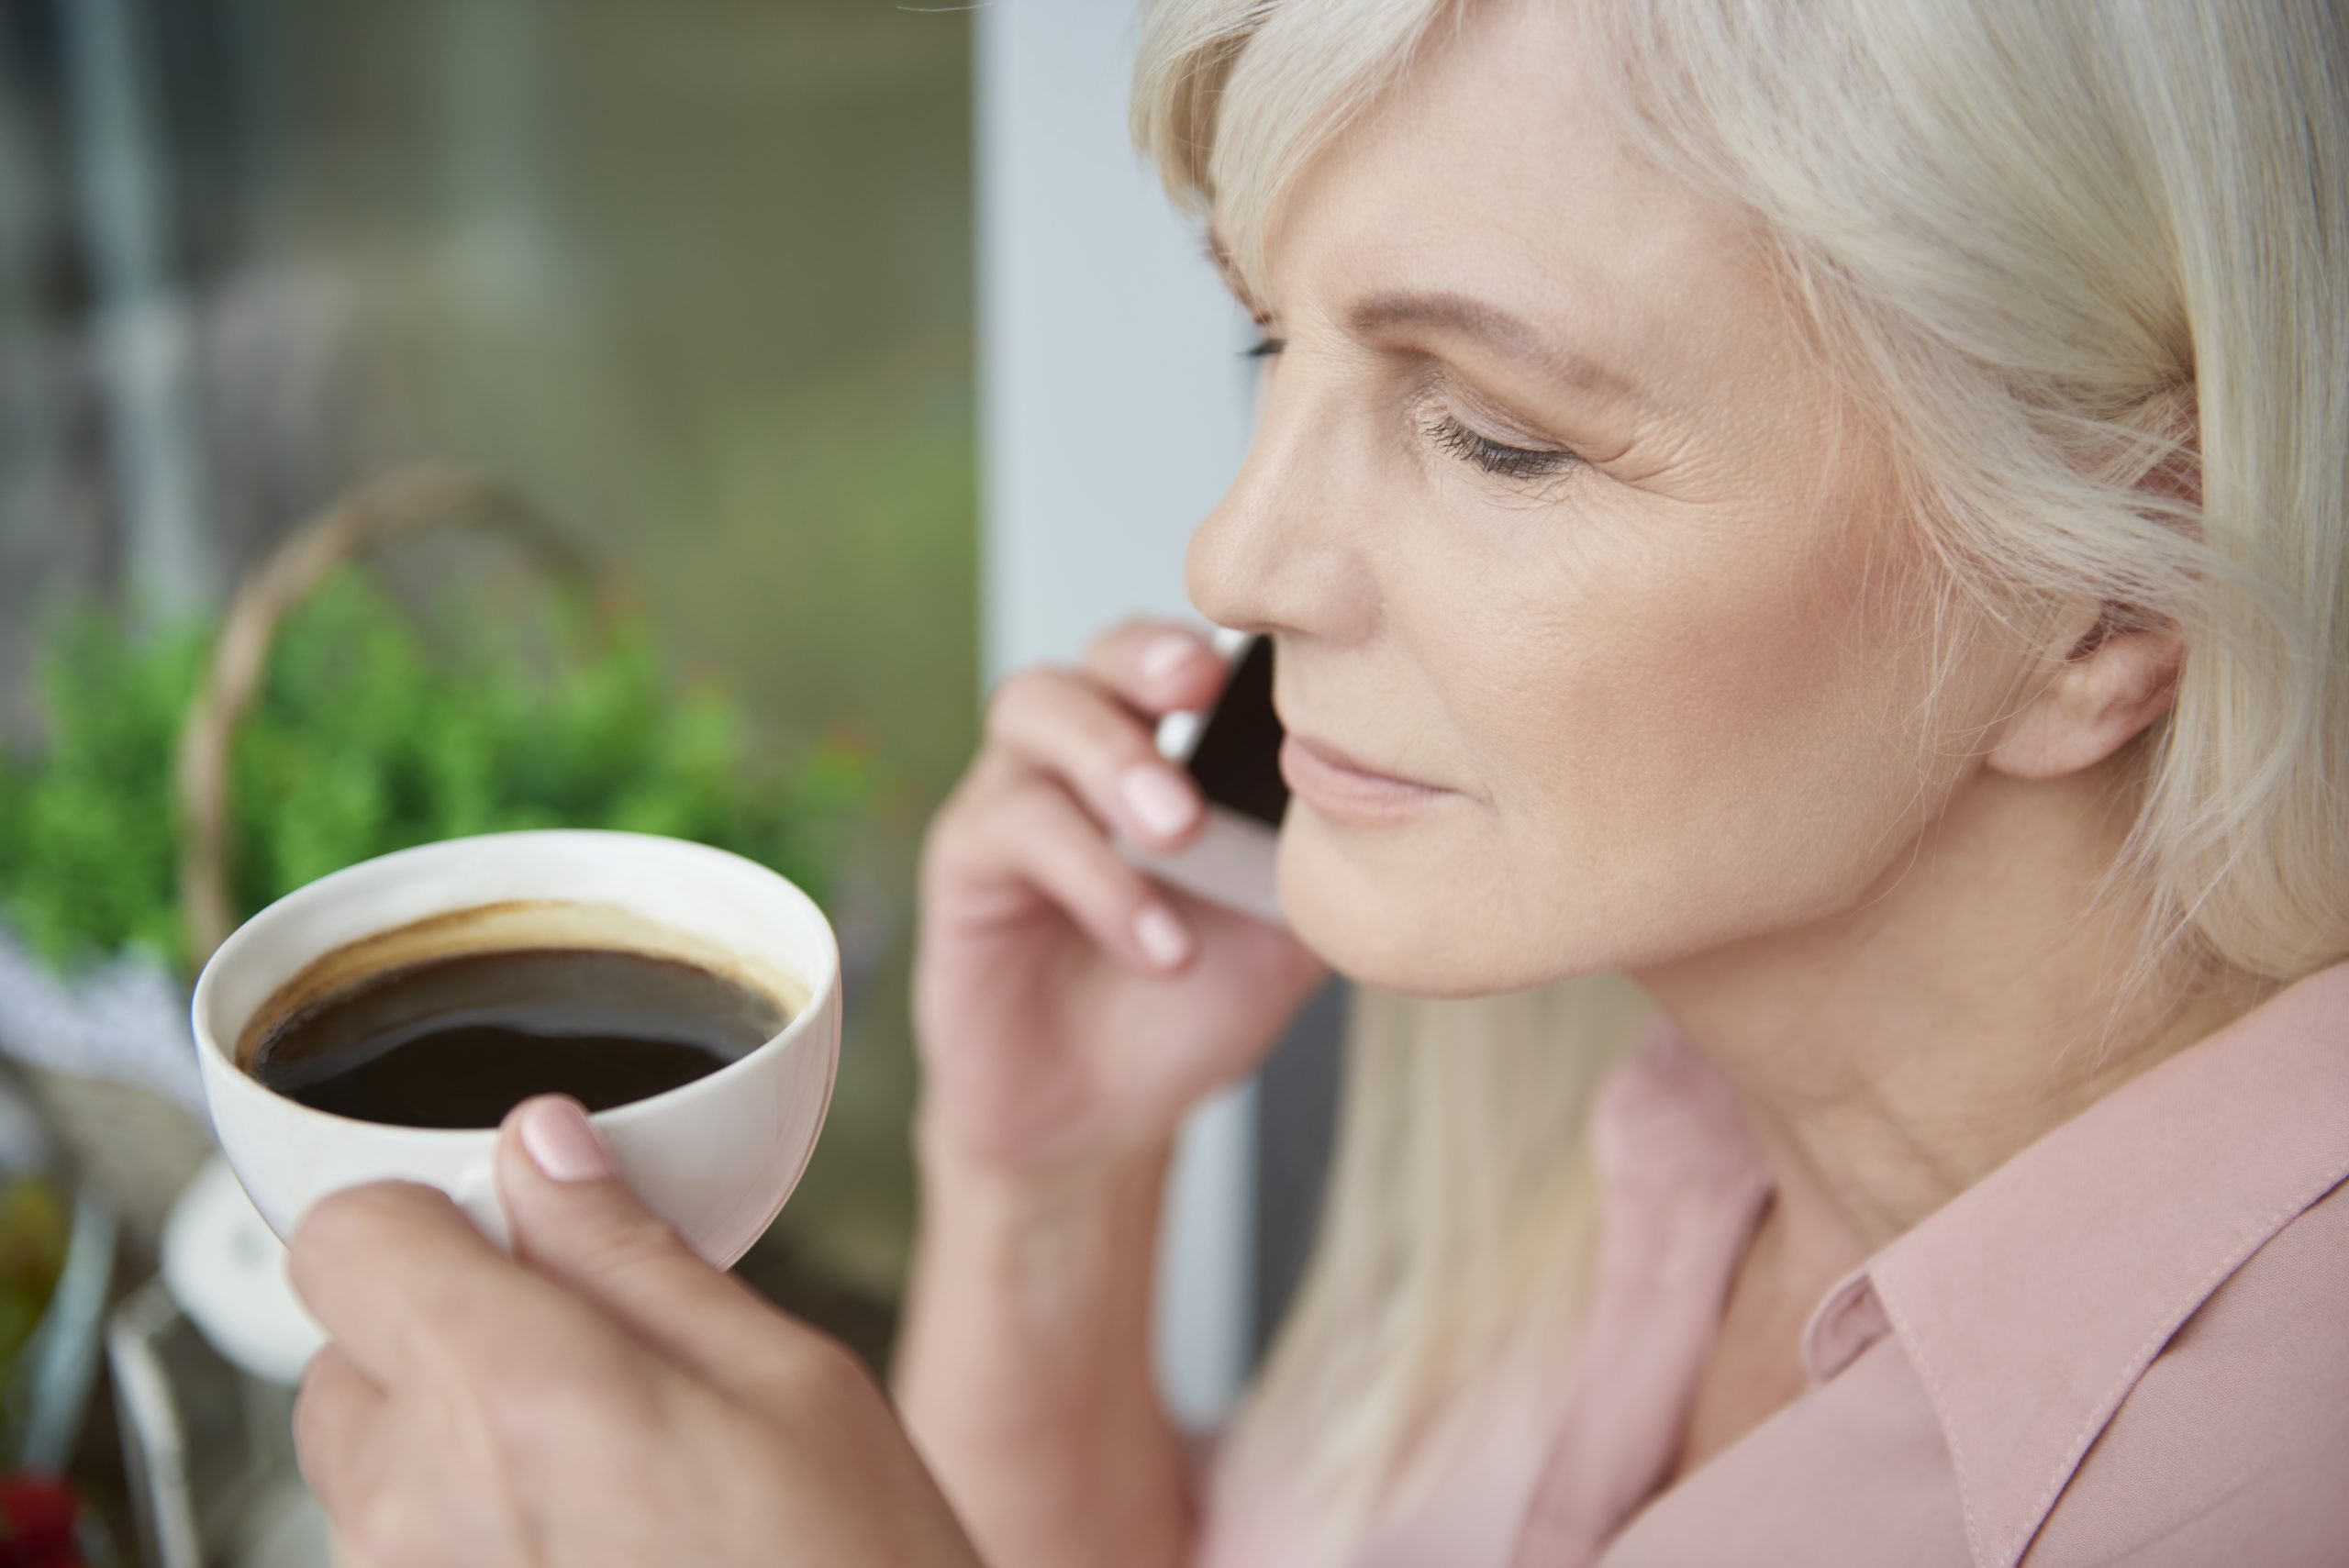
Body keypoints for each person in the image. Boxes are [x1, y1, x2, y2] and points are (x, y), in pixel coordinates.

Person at [284, 0, 2349, 1563]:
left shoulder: (2251, 1486)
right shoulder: (1644, 1116)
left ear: (2093, 598)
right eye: (1279, 346)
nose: (1234, 560)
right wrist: (1052, 1194)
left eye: (1492, 430)